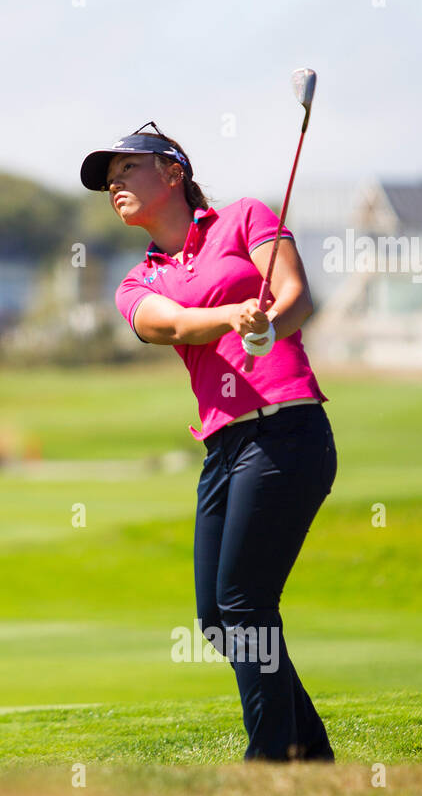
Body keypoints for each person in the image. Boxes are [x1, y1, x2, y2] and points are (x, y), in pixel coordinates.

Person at [81, 123, 336, 762]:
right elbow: (167, 328)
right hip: (223, 446)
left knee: (246, 603)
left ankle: (273, 758)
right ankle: (309, 752)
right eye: (107, 180)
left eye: (127, 170)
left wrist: (269, 327)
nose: (114, 185)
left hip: (286, 429)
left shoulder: (245, 217)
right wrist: (230, 316)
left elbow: (299, 297)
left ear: (173, 172)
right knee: (218, 619)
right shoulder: (137, 282)